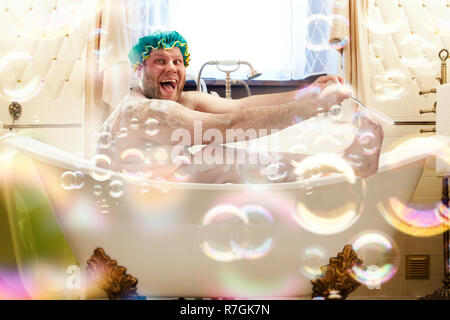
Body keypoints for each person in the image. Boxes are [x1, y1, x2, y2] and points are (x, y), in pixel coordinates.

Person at [99, 30, 383, 183]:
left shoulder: (177, 99)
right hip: (141, 204)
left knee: (213, 156)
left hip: (162, 193)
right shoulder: (144, 111)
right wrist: (311, 108)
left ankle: (338, 163)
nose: (172, 68)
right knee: (218, 159)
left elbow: (239, 108)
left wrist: (307, 93)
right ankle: (345, 165)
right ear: (140, 69)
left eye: (177, 61)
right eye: (160, 61)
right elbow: (232, 126)